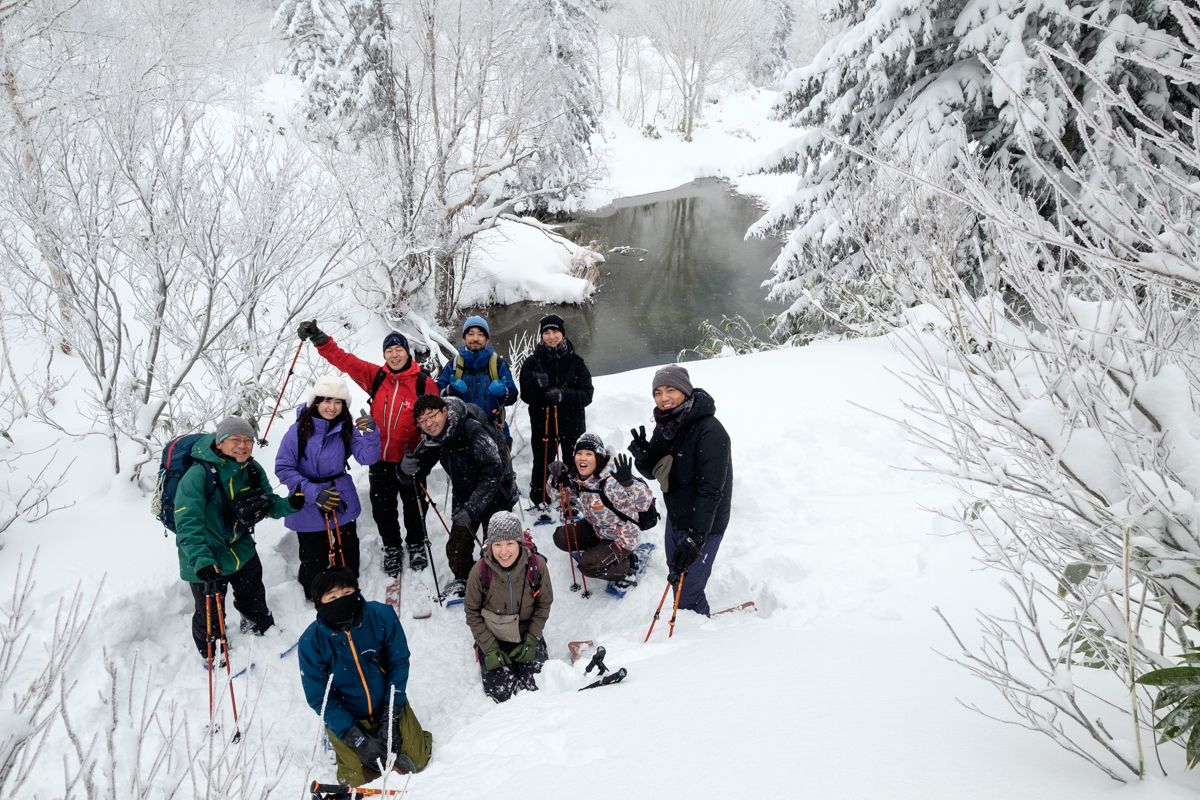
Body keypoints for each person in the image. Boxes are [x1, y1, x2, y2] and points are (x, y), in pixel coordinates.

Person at [298, 321, 439, 576]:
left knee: (415, 505)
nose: (394, 354)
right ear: (384, 355)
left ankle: (417, 543)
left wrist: (423, 455)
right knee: (383, 508)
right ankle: (392, 547)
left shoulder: (423, 384)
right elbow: (345, 361)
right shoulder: (377, 376)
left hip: (411, 460)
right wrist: (320, 340)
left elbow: (436, 421)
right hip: (379, 460)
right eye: (389, 351)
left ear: (408, 352)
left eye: (399, 349)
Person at [175, 416, 301, 660]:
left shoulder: (251, 469)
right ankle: (212, 650)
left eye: (248, 440)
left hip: (240, 546)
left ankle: (259, 625)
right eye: (235, 439)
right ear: (220, 442)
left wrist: (289, 505)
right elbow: (187, 523)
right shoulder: (197, 475)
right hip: (204, 553)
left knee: (252, 591)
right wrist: (201, 560)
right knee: (209, 609)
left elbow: (267, 503)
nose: (243, 445)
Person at [298, 568, 432, 785]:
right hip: (348, 715)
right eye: (332, 597)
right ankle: (340, 739)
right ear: (320, 603)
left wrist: (391, 714)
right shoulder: (311, 642)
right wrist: (357, 738)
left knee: (417, 760)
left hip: (386, 703)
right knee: (356, 782)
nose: (340, 601)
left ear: (357, 592)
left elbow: (399, 663)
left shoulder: (382, 616)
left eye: (346, 593)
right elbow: (319, 697)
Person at [629, 365, 732, 617]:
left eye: (671, 390)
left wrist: (696, 537)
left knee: (687, 593)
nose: (664, 398)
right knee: (677, 575)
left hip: (704, 524)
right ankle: (691, 620)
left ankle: (698, 637)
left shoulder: (710, 431)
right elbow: (656, 471)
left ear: (685, 391)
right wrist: (643, 457)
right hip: (677, 516)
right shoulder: (667, 423)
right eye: (658, 392)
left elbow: (711, 490)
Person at [399, 395, 519, 598]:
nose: (428, 423)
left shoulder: (472, 429)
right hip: (464, 495)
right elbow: (416, 470)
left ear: (444, 411)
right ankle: (467, 579)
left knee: (498, 551)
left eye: (432, 416)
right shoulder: (433, 439)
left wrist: (473, 509)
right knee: (457, 553)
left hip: (496, 495)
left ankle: (501, 581)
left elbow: (493, 472)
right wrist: (404, 470)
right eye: (422, 421)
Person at [274, 375, 381, 601]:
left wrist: (371, 433)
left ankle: (349, 588)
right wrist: (314, 493)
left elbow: (367, 457)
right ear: (316, 402)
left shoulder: (346, 429)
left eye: (338, 402)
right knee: (314, 553)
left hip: (339, 494)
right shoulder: (297, 431)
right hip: (308, 498)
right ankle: (318, 595)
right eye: (327, 401)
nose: (332, 407)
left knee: (348, 548)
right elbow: (284, 468)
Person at [463, 512, 554, 703]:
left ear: (519, 542)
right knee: (501, 693)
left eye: (510, 543)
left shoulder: (536, 566)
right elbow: (472, 612)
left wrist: (532, 639)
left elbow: (544, 603)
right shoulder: (479, 571)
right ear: (490, 545)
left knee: (537, 686)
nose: (504, 552)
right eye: (497, 544)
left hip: (527, 633)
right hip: (493, 635)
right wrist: (489, 647)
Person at [548, 432, 652, 587]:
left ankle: (629, 564)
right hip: (596, 528)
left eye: (589, 454)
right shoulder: (579, 479)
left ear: (598, 458)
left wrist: (629, 484)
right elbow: (559, 500)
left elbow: (644, 503)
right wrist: (557, 481)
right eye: (579, 453)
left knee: (588, 567)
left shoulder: (612, 480)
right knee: (560, 537)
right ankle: (599, 551)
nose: (583, 458)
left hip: (622, 535)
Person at [518, 313, 593, 512]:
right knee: (543, 458)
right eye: (547, 332)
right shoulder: (532, 363)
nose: (551, 336)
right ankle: (540, 495)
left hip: (572, 421)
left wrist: (564, 394)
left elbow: (587, 394)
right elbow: (525, 395)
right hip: (543, 420)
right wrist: (536, 384)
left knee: (574, 458)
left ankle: (576, 492)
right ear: (541, 335)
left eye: (555, 331)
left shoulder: (576, 362)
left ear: (563, 333)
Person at [435, 315, 518, 442]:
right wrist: (451, 390)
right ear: (464, 337)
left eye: (480, 334)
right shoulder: (454, 364)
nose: (475, 338)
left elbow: (512, 396)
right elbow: (437, 397)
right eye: (471, 334)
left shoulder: (497, 364)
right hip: (461, 432)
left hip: (494, 430)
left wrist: (503, 393)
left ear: (486, 339)